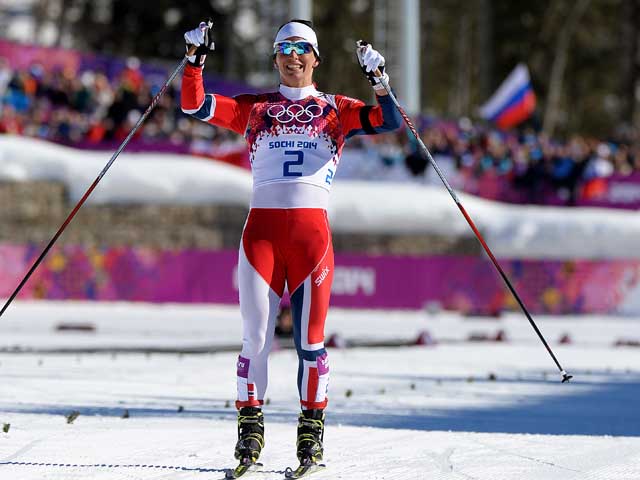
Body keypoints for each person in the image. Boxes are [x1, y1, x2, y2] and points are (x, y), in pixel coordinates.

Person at [181, 19, 401, 468]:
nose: (292, 56)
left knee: (310, 343)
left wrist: (380, 82)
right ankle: (250, 433)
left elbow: (388, 120)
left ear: (315, 58)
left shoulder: (335, 108)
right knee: (254, 340)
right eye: (284, 48)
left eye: (302, 48)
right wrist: (194, 61)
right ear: (275, 57)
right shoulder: (254, 106)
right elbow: (195, 104)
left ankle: (311, 433)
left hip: (310, 240)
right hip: (260, 236)